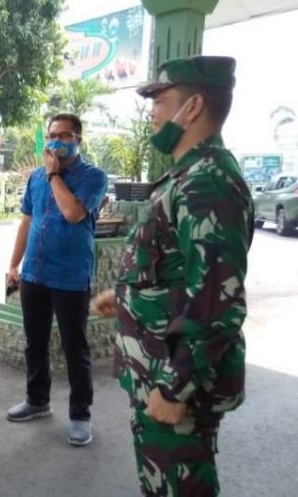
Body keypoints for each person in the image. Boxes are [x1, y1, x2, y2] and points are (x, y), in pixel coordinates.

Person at [93, 56, 254, 496]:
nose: (151, 112)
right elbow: (180, 271)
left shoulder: (207, 182)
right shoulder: (188, 175)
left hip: (174, 379)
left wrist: (176, 388)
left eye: (159, 100)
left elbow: (217, 301)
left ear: (193, 106)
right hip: (158, 368)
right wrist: (124, 295)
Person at [6, 113, 108, 446]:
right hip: (35, 273)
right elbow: (26, 222)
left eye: (64, 135)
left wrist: (53, 175)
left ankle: (80, 415)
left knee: (74, 347)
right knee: (34, 341)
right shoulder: (35, 177)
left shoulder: (93, 177)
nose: (56, 141)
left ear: (78, 139)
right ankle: (37, 400)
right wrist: (13, 265)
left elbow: (73, 213)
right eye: (52, 135)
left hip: (70, 275)